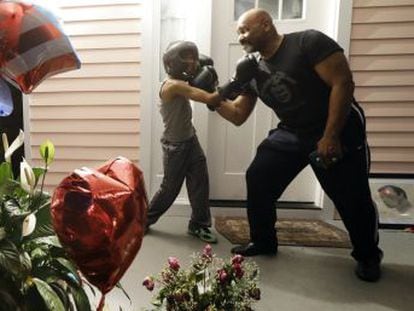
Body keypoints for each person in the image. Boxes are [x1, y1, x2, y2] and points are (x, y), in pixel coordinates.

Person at [213, 9, 383, 282]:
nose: (241, 37)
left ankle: (368, 256)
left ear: (265, 25)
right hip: (293, 130)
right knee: (259, 176)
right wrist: (213, 97)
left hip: (338, 128)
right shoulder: (251, 68)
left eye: (245, 30)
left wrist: (330, 135)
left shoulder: (307, 42)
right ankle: (264, 240)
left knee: (351, 197)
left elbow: (343, 83)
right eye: (238, 34)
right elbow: (237, 115)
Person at [146, 40, 221, 243]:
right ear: (174, 63)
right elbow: (208, 98)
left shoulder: (181, 82)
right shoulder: (173, 86)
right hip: (175, 146)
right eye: (187, 60)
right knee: (170, 188)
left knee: (200, 181)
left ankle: (199, 225)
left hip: (190, 138)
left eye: (193, 59)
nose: (193, 64)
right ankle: (144, 220)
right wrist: (234, 83)